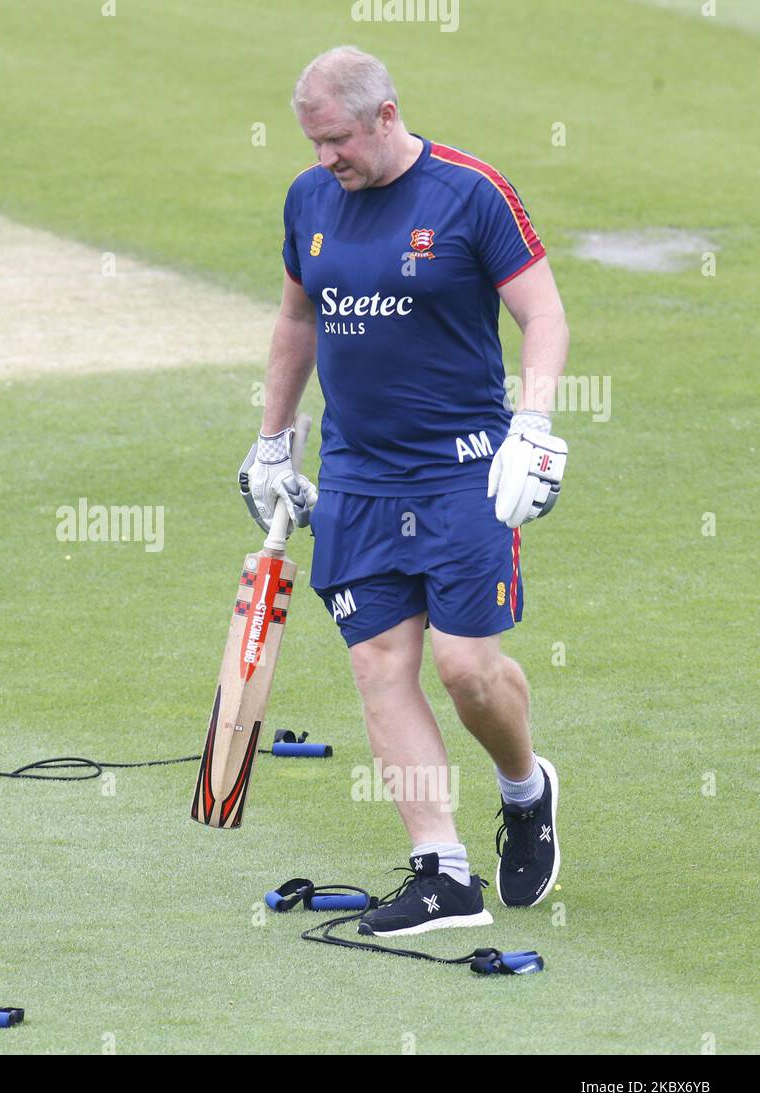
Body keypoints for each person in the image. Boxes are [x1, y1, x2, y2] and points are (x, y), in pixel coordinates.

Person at [240, 46, 570, 935]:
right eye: (312, 143)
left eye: (337, 140)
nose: (324, 161)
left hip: (466, 468)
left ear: (385, 115)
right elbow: (296, 317)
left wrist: (533, 428)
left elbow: (543, 313)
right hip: (357, 476)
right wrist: (274, 438)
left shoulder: (472, 192)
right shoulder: (311, 200)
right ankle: (443, 873)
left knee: (467, 669)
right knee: (378, 663)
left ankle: (524, 786)